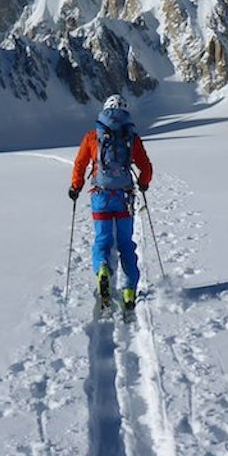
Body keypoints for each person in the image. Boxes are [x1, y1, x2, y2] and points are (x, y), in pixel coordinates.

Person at [69, 94, 153, 309]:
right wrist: (143, 183)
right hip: (124, 197)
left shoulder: (92, 136)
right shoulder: (131, 137)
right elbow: (146, 167)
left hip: (101, 195)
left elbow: (80, 163)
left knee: (102, 240)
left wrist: (76, 186)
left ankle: (103, 269)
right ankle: (129, 290)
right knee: (126, 243)